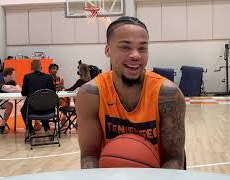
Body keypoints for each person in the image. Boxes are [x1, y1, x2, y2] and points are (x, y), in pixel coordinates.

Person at [75, 16, 186, 169]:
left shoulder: (168, 94)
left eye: (142, 48)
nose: (136, 55)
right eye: (125, 47)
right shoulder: (90, 94)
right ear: (108, 50)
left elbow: (174, 160)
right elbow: (89, 156)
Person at [21, 60, 56, 135]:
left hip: (32, 110)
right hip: (48, 109)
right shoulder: (48, 77)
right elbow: (53, 92)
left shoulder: (27, 77)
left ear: (31, 68)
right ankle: (46, 128)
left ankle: (30, 129)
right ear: (41, 67)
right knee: (43, 104)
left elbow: (23, 93)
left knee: (23, 110)